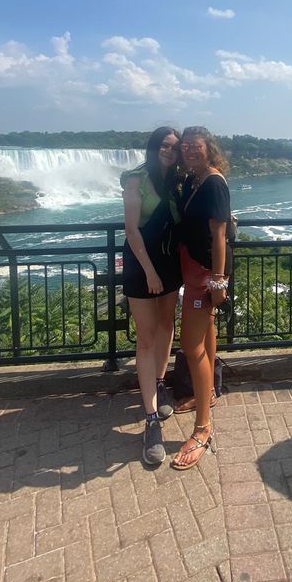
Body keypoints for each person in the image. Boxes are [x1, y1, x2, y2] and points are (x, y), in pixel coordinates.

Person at [121, 127, 183, 465]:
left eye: (174, 147)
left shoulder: (174, 180)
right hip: (142, 264)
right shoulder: (136, 179)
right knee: (145, 340)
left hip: (169, 262)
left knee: (166, 325)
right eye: (164, 146)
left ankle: (159, 385)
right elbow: (131, 230)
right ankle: (150, 421)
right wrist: (150, 272)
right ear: (154, 147)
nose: (169, 152)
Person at [171, 126, 230, 470]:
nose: (190, 151)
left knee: (190, 345)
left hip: (205, 274)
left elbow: (219, 235)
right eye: (186, 147)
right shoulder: (194, 179)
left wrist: (218, 281)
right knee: (205, 335)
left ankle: (203, 430)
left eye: (197, 146)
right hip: (194, 270)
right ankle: (205, 395)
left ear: (209, 148)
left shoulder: (213, 182)